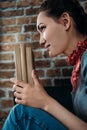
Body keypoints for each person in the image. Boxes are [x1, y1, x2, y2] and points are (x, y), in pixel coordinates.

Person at [2, 0, 87, 129]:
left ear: (65, 21)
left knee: (21, 114)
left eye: (43, 28)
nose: (41, 41)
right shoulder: (78, 68)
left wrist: (45, 101)